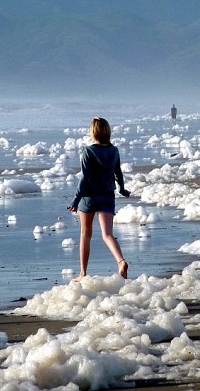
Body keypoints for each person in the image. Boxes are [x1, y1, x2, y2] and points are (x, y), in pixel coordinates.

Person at [67, 117, 130, 282]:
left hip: (89, 197)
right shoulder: (114, 150)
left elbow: (85, 178)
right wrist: (122, 189)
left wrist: (75, 200)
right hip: (108, 196)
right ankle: (121, 261)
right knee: (108, 234)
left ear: (93, 132)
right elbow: (118, 173)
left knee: (85, 234)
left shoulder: (88, 151)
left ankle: (83, 273)